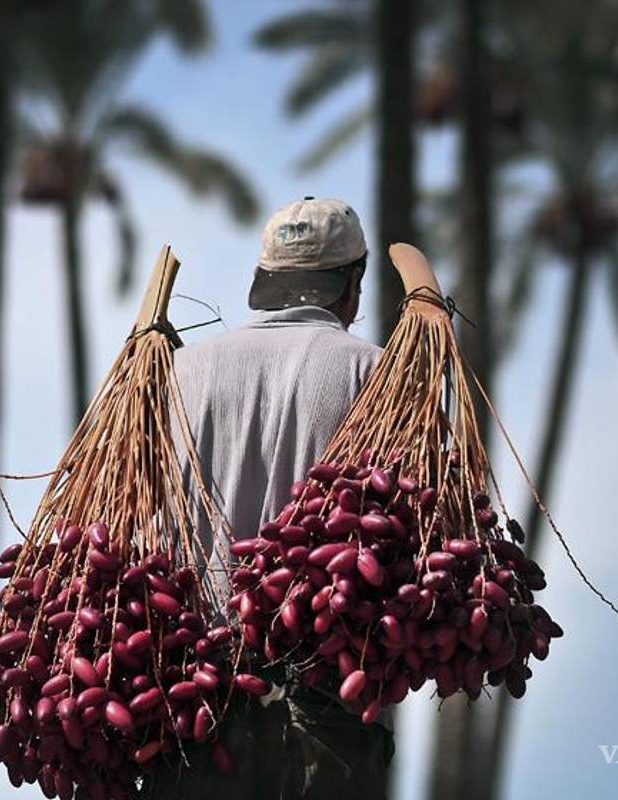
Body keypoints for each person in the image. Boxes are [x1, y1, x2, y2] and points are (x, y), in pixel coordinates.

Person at [161, 198, 393, 799]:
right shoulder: (377, 377)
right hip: (322, 725)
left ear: (262, 281)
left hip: (189, 716)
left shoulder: (177, 375)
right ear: (354, 285)